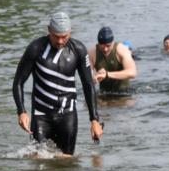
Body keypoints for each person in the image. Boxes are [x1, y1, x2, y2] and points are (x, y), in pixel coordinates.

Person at [12, 12, 103, 155]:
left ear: (70, 32)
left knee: (66, 163)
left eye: (64, 36)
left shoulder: (78, 50)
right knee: (39, 161)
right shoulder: (35, 48)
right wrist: (21, 112)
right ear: (49, 30)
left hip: (67, 115)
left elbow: (88, 85)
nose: (60, 41)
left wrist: (94, 120)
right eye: (56, 36)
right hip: (41, 115)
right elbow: (18, 82)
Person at [88, 26, 137, 97]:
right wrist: (95, 77)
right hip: (104, 93)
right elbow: (87, 78)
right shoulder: (92, 53)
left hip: (124, 93)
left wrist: (107, 74)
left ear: (113, 42)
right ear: (98, 43)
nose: (105, 49)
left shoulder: (121, 50)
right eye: (102, 46)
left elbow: (132, 73)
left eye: (108, 46)